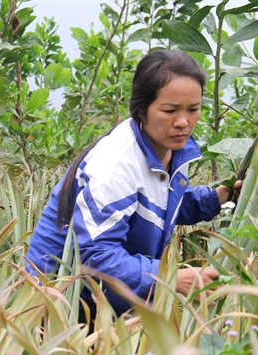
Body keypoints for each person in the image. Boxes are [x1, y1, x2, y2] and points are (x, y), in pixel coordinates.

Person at [26, 50, 239, 320]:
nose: (183, 122)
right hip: (60, 305)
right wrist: (167, 277)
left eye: (193, 110)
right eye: (170, 111)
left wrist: (214, 199)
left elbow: (156, 202)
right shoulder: (115, 165)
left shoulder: (167, 148)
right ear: (141, 109)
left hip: (108, 301)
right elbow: (96, 258)